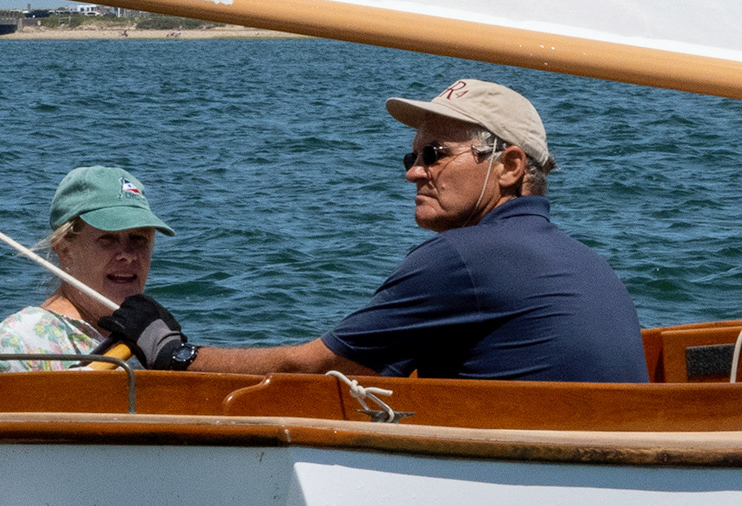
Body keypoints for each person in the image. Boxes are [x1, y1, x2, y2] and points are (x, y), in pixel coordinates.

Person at [191, 79, 646, 384]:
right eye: (412, 158)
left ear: (508, 166)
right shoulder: (591, 263)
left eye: (435, 154)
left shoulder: (463, 257)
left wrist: (178, 357)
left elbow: (315, 371)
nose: (413, 173)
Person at [0, 165, 189, 372]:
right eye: (107, 238)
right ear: (64, 249)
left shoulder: (148, 337)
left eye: (139, 239)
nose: (127, 255)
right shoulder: (19, 341)